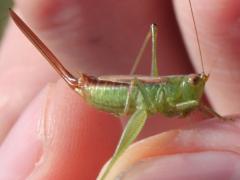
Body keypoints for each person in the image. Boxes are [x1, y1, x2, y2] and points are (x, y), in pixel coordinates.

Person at [0, 0, 240, 179]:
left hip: (137, 95)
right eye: (195, 83)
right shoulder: (178, 94)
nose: (196, 88)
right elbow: (187, 103)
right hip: (124, 93)